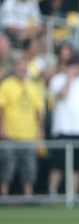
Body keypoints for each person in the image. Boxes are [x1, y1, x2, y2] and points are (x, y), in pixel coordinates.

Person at [47, 54, 79, 195]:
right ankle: (53, 193)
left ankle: (73, 193)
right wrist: (69, 77)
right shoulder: (57, 80)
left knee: (78, 166)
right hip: (63, 129)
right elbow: (62, 94)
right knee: (57, 165)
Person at [0, 55, 44, 196]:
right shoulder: (6, 85)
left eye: (24, 66)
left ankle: (28, 197)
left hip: (29, 135)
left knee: (29, 169)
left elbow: (39, 111)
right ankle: (4, 196)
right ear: (15, 68)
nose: (22, 69)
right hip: (11, 134)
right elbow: (1, 108)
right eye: (20, 66)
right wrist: (2, 127)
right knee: (7, 168)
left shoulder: (33, 86)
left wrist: (40, 130)